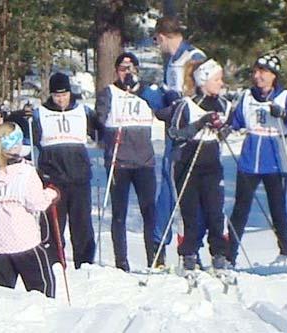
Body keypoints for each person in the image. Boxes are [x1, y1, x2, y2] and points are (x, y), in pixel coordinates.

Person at [226, 54, 287, 267]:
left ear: (274, 76)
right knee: (240, 209)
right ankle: (229, 255)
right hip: (249, 160)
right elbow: (235, 122)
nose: (258, 76)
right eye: (256, 71)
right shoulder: (247, 97)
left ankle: (286, 252)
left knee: (277, 209)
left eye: (263, 72)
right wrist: (224, 128)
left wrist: (284, 115)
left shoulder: (285, 98)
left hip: (275, 160)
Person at [0, 122, 60, 298]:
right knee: (42, 288)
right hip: (25, 240)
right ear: (17, 143)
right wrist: (51, 193)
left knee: (4, 291)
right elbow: (37, 204)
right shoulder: (25, 172)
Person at [95, 52, 163, 272]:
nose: (127, 72)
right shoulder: (109, 92)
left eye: (131, 68)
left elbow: (162, 108)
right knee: (119, 214)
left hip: (144, 161)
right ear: (117, 71)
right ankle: (121, 261)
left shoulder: (146, 91)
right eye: (123, 68)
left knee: (149, 211)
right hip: (119, 162)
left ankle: (154, 257)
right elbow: (99, 120)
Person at [152, 16, 207, 268]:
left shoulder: (193, 58)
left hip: (190, 136)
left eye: (156, 40)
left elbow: (200, 96)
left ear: (162, 36)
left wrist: (174, 105)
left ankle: (192, 247)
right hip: (172, 135)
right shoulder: (172, 61)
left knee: (187, 191)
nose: (157, 45)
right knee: (168, 188)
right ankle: (161, 246)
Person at [167, 59, 232, 273]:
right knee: (190, 213)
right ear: (203, 80)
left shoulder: (224, 104)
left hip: (212, 162)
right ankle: (188, 254)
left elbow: (226, 131)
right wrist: (199, 123)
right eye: (217, 79)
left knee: (215, 211)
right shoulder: (187, 105)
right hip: (187, 162)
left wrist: (222, 129)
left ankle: (220, 254)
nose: (221, 83)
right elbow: (175, 133)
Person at [32, 72, 98, 269]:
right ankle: (54, 262)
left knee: (82, 224)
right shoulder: (40, 113)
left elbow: (99, 130)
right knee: (53, 225)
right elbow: (29, 139)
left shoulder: (82, 111)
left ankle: (85, 263)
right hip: (53, 179)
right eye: (57, 95)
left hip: (79, 177)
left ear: (70, 93)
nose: (61, 99)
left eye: (64, 94)